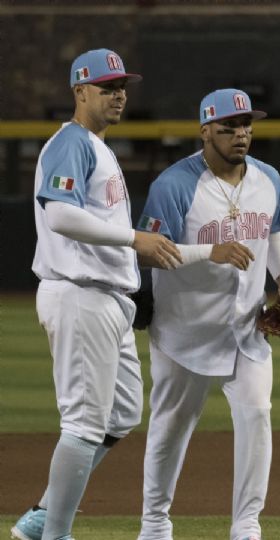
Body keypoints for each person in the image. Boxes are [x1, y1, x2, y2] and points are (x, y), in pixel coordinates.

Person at [12, 48, 181, 540]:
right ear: (80, 92)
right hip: (79, 294)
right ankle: (54, 533)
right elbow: (61, 215)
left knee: (124, 411)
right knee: (85, 422)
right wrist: (133, 240)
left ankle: (44, 514)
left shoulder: (98, 147)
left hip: (108, 298)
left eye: (122, 86)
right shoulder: (72, 142)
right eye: (107, 87)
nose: (119, 94)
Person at [135, 89, 280, 540]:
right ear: (205, 130)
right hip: (183, 330)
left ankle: (246, 527)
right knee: (170, 428)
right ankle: (154, 525)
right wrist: (212, 251)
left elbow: (275, 230)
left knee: (257, 415)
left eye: (246, 125)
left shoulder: (268, 178)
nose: (240, 134)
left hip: (247, 328)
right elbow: (149, 255)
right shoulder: (174, 184)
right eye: (228, 126)